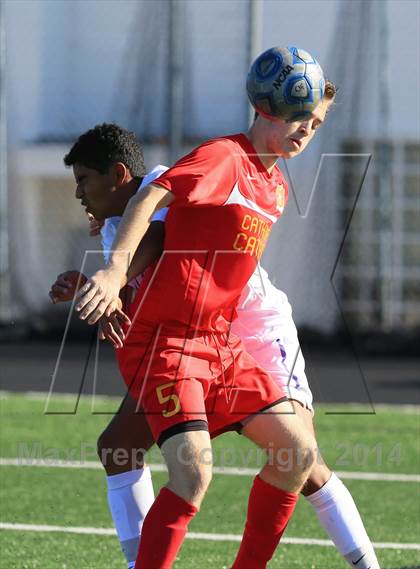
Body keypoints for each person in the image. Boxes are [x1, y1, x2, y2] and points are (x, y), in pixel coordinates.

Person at [54, 95, 377, 568]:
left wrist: (111, 277)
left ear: (116, 175)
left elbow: (160, 235)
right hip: (175, 340)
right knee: (174, 466)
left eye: (316, 120)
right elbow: (155, 225)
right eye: (300, 114)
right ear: (266, 105)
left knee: (299, 458)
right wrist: (104, 284)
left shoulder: (273, 188)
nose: (80, 194)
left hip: (242, 329)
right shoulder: (220, 158)